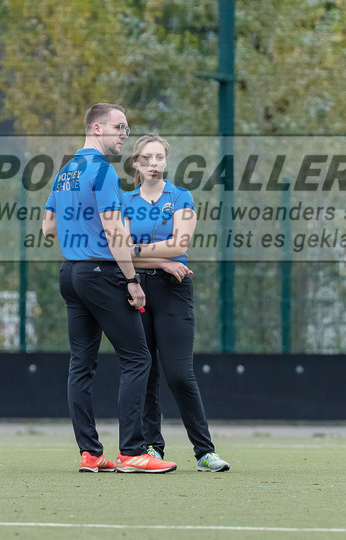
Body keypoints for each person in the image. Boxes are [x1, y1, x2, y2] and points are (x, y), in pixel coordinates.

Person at [42, 104, 177, 474]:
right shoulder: (101, 171)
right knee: (138, 359)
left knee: (81, 365)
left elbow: (48, 228)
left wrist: (80, 242)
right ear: (97, 127)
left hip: (71, 274)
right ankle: (132, 451)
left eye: (126, 128)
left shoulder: (66, 171)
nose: (124, 135)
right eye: (119, 127)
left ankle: (90, 453)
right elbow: (115, 231)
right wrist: (132, 280)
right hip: (101, 274)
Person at [123, 132, 231, 473]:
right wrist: (163, 259)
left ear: (166, 161)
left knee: (180, 374)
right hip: (134, 291)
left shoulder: (181, 196)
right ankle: (151, 448)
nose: (154, 164)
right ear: (135, 164)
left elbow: (179, 243)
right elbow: (118, 252)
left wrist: (142, 253)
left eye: (159, 158)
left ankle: (204, 452)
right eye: (147, 158)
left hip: (174, 289)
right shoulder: (124, 201)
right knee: (147, 374)